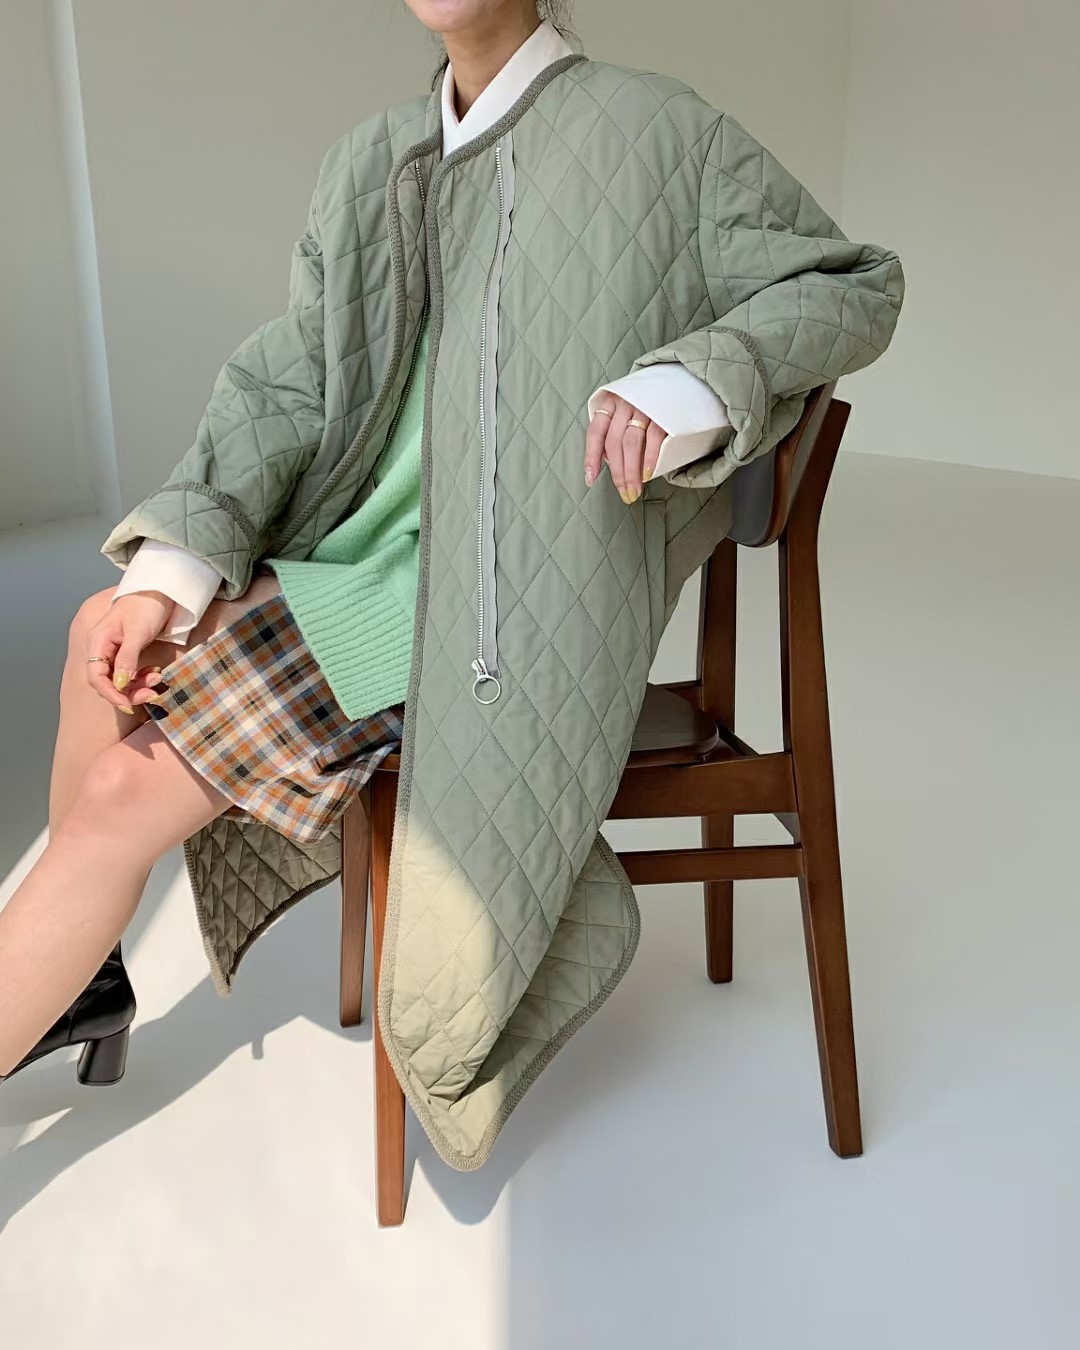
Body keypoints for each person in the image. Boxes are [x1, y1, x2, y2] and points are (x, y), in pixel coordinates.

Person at [0, 0, 904, 1093]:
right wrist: (176, 564)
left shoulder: (660, 131)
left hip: (493, 610)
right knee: (101, 631)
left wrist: (695, 382)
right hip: (357, 569)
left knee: (119, 797)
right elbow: (288, 387)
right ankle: (80, 979)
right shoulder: (371, 161)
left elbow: (853, 284)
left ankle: (57, 975)